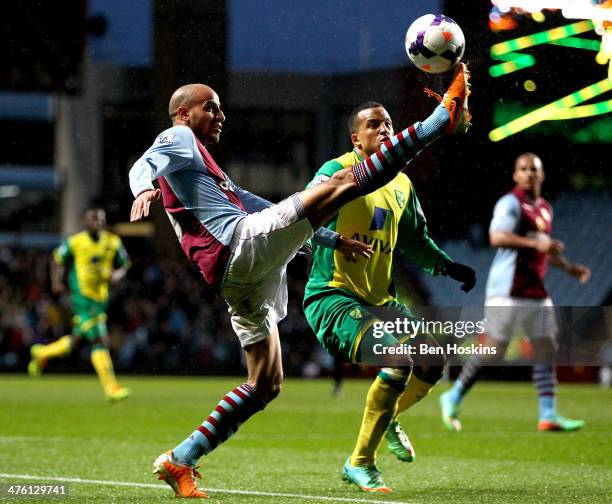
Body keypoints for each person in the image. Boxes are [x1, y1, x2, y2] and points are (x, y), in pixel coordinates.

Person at [129, 63, 471, 499]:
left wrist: (330, 237)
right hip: (241, 245)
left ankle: (181, 459)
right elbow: (145, 163)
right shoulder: (178, 138)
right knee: (348, 182)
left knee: (265, 384)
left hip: (242, 278)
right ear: (182, 114)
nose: (220, 116)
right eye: (209, 108)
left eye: (220, 109)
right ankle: (438, 121)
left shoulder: (206, 166)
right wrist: (142, 188)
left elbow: (255, 202)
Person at [303, 101, 476, 493]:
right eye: (374, 125)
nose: (384, 130)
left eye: (389, 125)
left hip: (381, 303)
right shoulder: (335, 172)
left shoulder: (401, 184)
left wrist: (448, 267)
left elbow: (416, 240)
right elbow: (297, 219)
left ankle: (388, 417)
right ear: (355, 137)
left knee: (433, 360)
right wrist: (335, 240)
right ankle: (359, 462)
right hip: (334, 298)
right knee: (398, 359)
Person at [439, 152, 591, 432]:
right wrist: (537, 245)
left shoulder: (545, 207)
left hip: (535, 289)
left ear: (542, 174)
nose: (529, 173)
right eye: (523, 169)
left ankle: (548, 414)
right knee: (494, 350)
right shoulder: (510, 203)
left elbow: (542, 246)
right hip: (507, 288)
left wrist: (568, 267)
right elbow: (497, 237)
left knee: (547, 346)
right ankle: (454, 394)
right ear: (515, 175)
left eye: (534, 169)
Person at [28, 207, 131, 402]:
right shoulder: (75, 242)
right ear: (85, 222)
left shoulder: (113, 241)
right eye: (93, 220)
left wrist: (116, 275)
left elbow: (124, 264)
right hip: (82, 298)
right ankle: (111, 387)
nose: (97, 223)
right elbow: (57, 258)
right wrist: (56, 281)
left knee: (76, 341)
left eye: (100, 220)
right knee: (100, 340)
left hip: (101, 299)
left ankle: (41, 352)